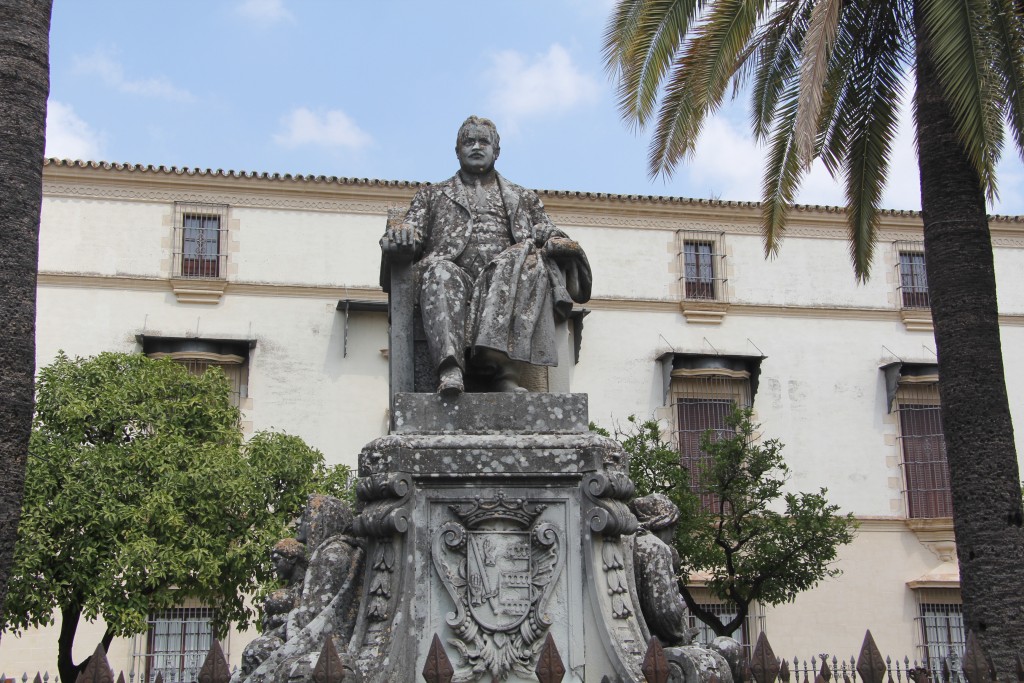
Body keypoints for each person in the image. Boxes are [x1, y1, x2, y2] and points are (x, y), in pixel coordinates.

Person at [380, 116, 591, 396]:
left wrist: (555, 240)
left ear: (497, 151)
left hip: (504, 276)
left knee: (528, 260)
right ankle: (450, 370)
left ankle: (504, 376)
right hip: (455, 273)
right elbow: (413, 231)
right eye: (468, 141)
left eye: (483, 141)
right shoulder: (431, 195)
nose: (476, 146)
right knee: (440, 272)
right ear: (457, 151)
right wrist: (403, 234)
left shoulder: (523, 197)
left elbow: (549, 231)